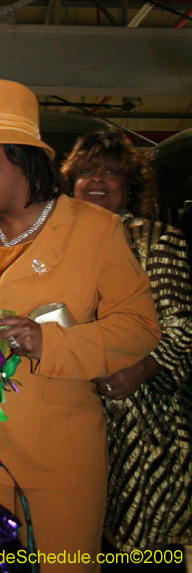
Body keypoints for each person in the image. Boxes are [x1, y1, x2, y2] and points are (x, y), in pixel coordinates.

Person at [0, 80, 161, 573]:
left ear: (21, 155)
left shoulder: (96, 230)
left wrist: (47, 342)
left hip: (58, 458)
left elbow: (140, 327)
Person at [62, 131, 192, 561]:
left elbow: (182, 328)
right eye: (86, 171)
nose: (97, 180)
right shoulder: (60, 243)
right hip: (76, 414)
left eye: (111, 172)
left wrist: (139, 370)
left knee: (140, 550)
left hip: (144, 426)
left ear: (130, 186)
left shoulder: (158, 239)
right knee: (83, 543)